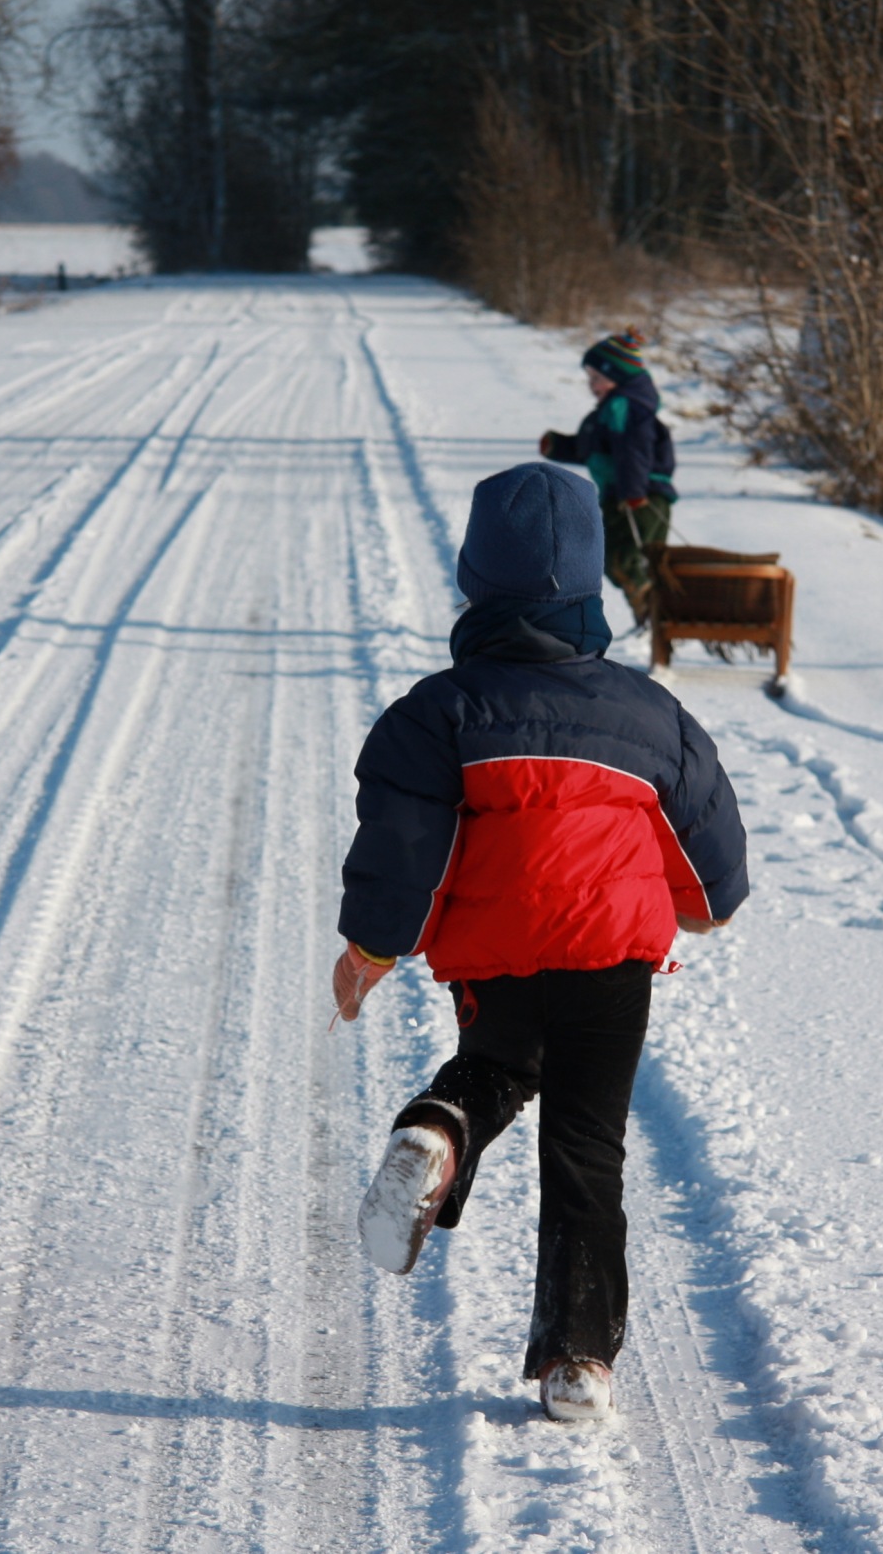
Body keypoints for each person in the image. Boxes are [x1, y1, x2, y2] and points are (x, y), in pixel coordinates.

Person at [332, 462, 748, 1423]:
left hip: (495, 952)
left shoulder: (436, 713)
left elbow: (403, 852)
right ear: (592, 581)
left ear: (477, 578)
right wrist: (705, 903)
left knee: (495, 1066)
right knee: (587, 1147)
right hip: (610, 960)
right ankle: (578, 1361)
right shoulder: (651, 716)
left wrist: (370, 951)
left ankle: (437, 1128)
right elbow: (713, 866)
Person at [539, 328, 675, 622]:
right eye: (590, 379)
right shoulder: (611, 409)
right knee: (621, 560)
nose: (592, 385)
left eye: (597, 378)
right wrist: (560, 446)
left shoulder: (624, 407)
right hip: (623, 494)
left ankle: (656, 611)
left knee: (623, 560)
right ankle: (652, 613)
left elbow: (634, 450)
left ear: (619, 377)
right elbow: (596, 449)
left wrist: (634, 491)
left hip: (640, 497)